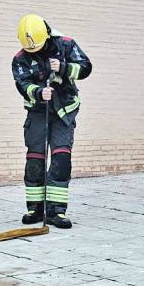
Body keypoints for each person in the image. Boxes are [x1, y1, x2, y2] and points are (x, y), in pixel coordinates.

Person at [12, 14, 92, 229]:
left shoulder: (65, 45)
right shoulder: (20, 58)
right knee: (35, 159)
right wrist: (38, 92)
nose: (34, 52)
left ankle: (57, 211)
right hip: (38, 113)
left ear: (47, 36)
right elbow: (22, 84)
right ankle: (35, 209)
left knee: (61, 159)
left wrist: (64, 67)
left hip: (64, 111)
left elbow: (86, 67)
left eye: (37, 47)